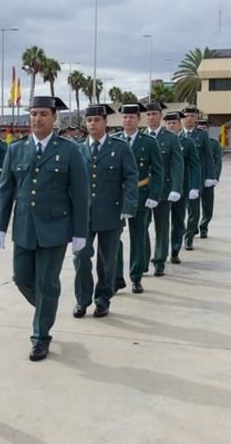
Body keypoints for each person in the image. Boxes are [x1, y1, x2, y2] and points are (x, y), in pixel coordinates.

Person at [0, 95, 88, 361]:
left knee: (46, 282)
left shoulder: (69, 150)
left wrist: (80, 231)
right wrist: (0, 227)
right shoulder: (16, 150)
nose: (37, 118)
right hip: (25, 227)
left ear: (54, 118)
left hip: (56, 228)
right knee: (21, 278)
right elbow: (6, 191)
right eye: (33, 113)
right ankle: (46, 307)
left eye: (43, 114)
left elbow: (81, 195)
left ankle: (40, 337)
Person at [73, 104, 138, 318]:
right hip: (83, 215)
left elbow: (130, 177)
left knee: (107, 260)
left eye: (97, 120)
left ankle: (103, 299)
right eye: (89, 120)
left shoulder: (119, 147)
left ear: (105, 122)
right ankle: (82, 300)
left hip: (111, 212)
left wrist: (128, 205)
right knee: (80, 257)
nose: (92, 124)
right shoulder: (77, 148)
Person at [114, 103, 164, 294]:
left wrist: (154, 194)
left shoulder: (149, 142)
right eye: (125, 117)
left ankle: (136, 277)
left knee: (138, 237)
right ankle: (116, 276)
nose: (128, 120)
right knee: (113, 238)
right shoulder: (115, 141)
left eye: (132, 117)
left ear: (138, 119)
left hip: (140, 194)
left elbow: (158, 170)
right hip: (117, 196)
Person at [143, 103, 184, 277]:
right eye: (148, 114)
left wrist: (176, 188)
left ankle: (159, 260)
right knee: (141, 228)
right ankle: (142, 260)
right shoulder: (140, 137)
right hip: (143, 191)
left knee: (162, 227)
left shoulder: (171, 138)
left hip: (164, 190)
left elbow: (177, 164)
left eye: (154, 114)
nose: (151, 117)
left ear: (160, 116)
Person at [164, 112, 201, 264]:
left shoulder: (187, 143)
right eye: (168, 123)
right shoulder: (158, 141)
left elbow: (195, 166)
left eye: (174, 123)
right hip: (164, 186)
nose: (171, 125)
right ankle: (161, 251)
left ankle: (175, 250)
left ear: (180, 125)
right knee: (162, 223)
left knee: (178, 220)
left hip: (182, 186)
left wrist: (194, 186)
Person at [181, 107, 215, 251]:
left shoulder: (202, 135)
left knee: (194, 211)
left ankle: (189, 238)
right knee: (179, 211)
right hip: (179, 179)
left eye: (192, 116)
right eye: (186, 116)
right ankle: (182, 231)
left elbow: (208, 158)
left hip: (196, 179)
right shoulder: (176, 134)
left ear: (196, 118)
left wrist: (210, 177)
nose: (189, 118)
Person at [198, 119, 223, 239]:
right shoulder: (191, 141)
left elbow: (218, 162)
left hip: (208, 179)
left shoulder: (213, 143)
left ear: (208, 129)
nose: (202, 129)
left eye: (204, 127)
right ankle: (192, 228)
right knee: (191, 206)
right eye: (200, 127)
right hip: (195, 178)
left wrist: (215, 177)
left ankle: (203, 227)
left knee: (208, 206)